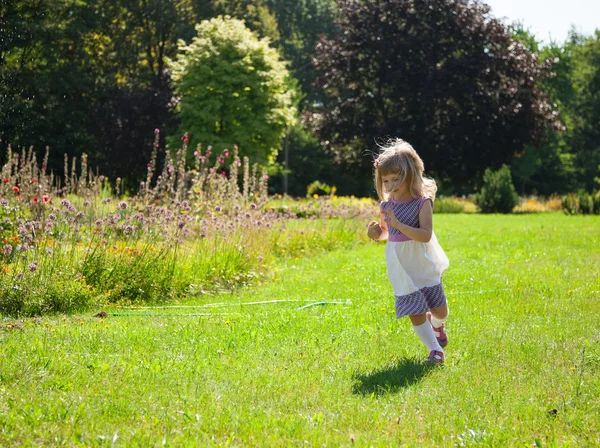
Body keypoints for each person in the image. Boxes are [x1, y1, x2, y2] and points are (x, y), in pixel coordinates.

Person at [367, 139, 450, 364]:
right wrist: (376, 234)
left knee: (440, 309)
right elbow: (386, 232)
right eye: (385, 180)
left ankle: (438, 324)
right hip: (400, 262)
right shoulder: (386, 205)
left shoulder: (422, 203)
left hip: (421, 258)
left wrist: (400, 224)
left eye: (396, 179)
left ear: (410, 175)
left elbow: (425, 235)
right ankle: (435, 350)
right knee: (414, 307)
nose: (391, 184)